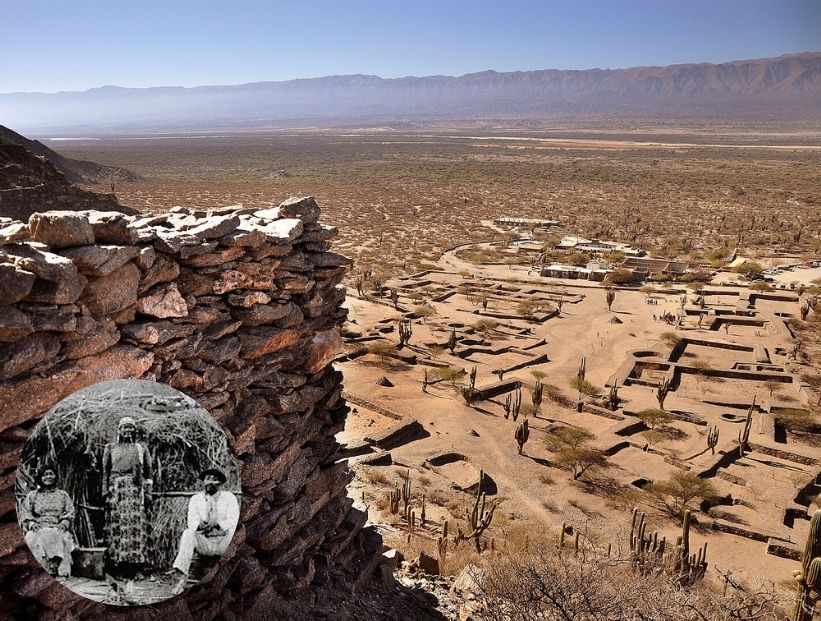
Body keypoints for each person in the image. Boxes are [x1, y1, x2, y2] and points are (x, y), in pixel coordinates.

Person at [102, 416, 153, 599]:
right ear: (119, 430)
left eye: (131, 428)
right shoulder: (110, 448)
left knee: (134, 531)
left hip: (134, 491)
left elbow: (148, 472)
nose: (128, 431)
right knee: (118, 530)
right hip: (116, 491)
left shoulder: (141, 448)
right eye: (125, 428)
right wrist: (105, 493)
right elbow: (105, 472)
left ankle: (134, 568)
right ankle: (118, 567)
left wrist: (148, 493)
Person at [171, 467, 239, 595]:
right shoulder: (196, 499)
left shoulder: (229, 498)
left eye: (214, 479)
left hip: (224, 542)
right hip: (206, 542)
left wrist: (217, 524)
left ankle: (232, 582)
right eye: (207, 479)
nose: (209, 483)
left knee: (235, 533)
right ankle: (181, 581)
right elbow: (191, 521)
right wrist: (200, 525)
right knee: (188, 534)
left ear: (220, 483)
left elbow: (233, 520)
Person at [19, 465, 76, 577]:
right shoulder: (33, 495)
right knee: (32, 536)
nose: (48, 477)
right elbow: (25, 511)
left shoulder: (62, 495)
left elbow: (70, 510)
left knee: (58, 535)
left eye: (51, 474)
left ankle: (54, 568)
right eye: (45, 475)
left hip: (57, 525)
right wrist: (32, 523)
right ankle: (39, 568)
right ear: (40, 477)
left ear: (55, 476)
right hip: (39, 526)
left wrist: (64, 523)